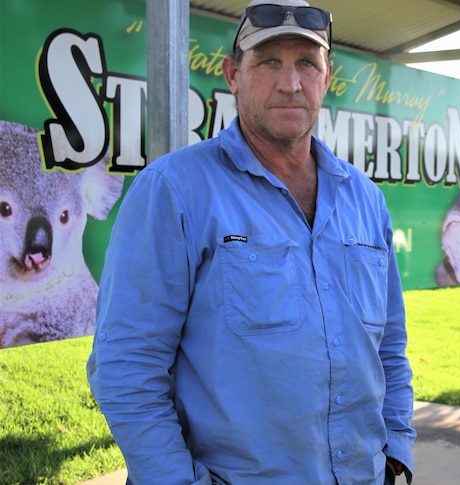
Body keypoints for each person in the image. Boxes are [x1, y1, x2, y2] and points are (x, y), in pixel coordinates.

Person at [87, 1, 415, 483]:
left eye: (307, 63)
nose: (290, 83)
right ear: (232, 74)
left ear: (327, 77)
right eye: (268, 62)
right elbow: (126, 366)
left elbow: (389, 345)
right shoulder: (175, 190)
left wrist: (396, 449)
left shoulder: (364, 198)